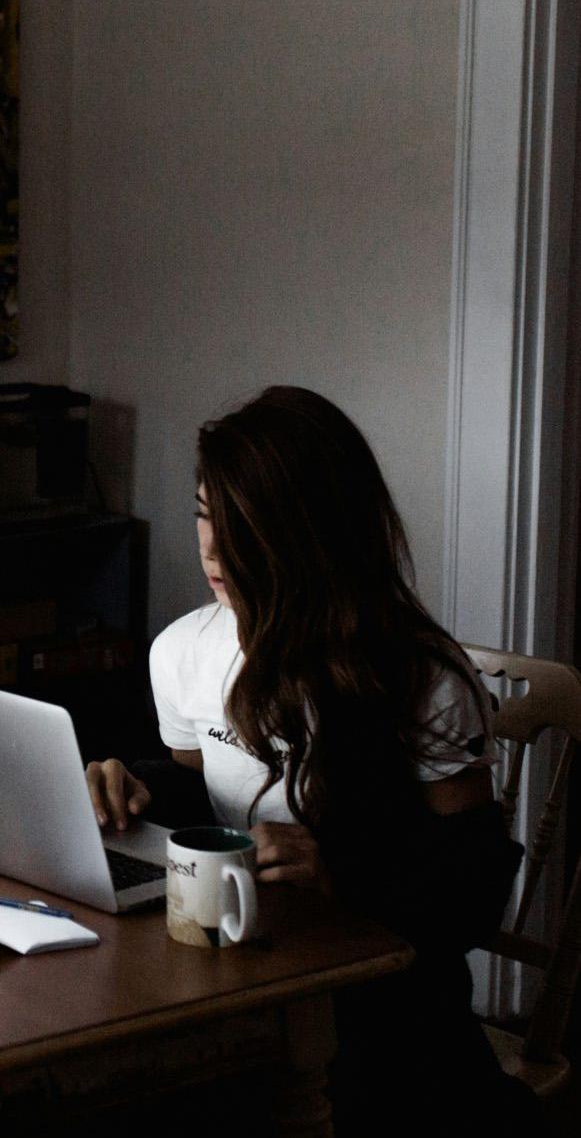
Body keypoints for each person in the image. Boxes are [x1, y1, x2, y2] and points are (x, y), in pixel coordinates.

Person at [83, 386, 540, 1131]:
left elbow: (473, 888)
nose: (210, 547)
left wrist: (337, 871)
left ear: (309, 530)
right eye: (204, 513)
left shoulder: (421, 677)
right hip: (240, 980)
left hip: (386, 1019)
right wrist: (131, 788)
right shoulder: (182, 653)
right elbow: (207, 796)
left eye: (240, 523)